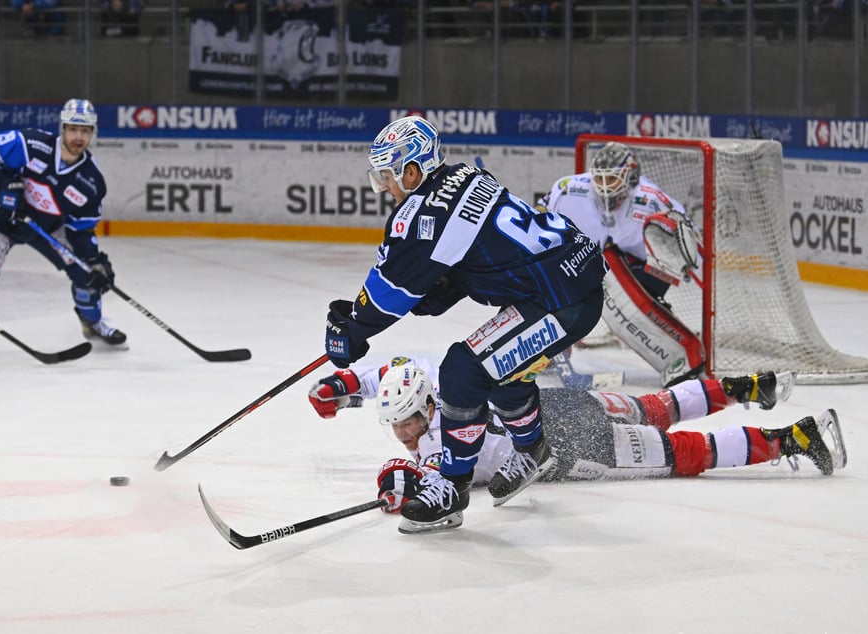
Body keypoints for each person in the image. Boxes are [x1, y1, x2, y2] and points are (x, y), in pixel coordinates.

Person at [322, 115, 607, 534]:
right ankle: (532, 449)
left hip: (560, 300)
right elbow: (471, 254)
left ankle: (452, 488)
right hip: (569, 278)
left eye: (388, 176)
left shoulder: (423, 216)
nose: (385, 187)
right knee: (501, 369)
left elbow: (389, 294)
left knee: (463, 370)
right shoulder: (462, 176)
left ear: (412, 170)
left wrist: (352, 331)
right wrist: (438, 291)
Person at [308, 358, 848, 529]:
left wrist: (397, 483)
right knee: (654, 406)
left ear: (425, 409)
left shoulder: (438, 446)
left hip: (572, 449)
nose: (402, 434)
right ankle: (743, 386)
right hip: (555, 405)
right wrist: (346, 386)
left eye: (406, 424)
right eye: (394, 425)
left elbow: (441, 490)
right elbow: (394, 372)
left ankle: (792, 439)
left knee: (684, 454)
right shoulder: (447, 382)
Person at [0, 98, 126, 360]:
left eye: (85, 131)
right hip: (0, 219)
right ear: (62, 128)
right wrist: (5, 185)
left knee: (87, 276)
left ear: (93, 133)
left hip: (46, 228)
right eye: (73, 129)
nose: (78, 137)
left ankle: (93, 324)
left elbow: (80, 230)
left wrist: (95, 262)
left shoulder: (91, 182)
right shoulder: (32, 144)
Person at [537, 141, 704, 387]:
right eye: (601, 180)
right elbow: (540, 211)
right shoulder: (569, 187)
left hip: (642, 267)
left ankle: (664, 330)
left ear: (630, 175)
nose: (605, 187)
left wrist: (692, 268)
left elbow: (688, 238)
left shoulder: (651, 199)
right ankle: (557, 344)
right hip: (597, 259)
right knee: (551, 281)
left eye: (613, 179)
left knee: (618, 294)